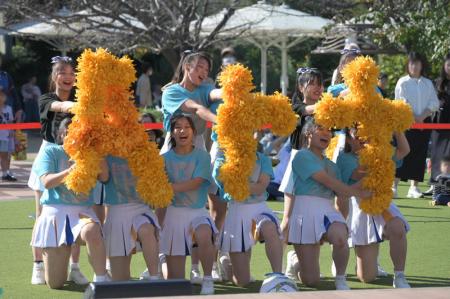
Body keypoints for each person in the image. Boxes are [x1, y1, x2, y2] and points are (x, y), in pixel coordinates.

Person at [280, 119, 371, 290]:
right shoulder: (301, 156)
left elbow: (341, 192)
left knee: (340, 236)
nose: (327, 133)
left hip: (326, 210)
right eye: (320, 129)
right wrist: (358, 192)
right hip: (304, 212)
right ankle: (296, 262)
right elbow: (328, 182)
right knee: (311, 280)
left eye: (329, 131)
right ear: (308, 134)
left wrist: (370, 178)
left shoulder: (332, 165)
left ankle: (340, 279)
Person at [160, 50, 222, 283]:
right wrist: (220, 120)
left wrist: (234, 90)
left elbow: (217, 93)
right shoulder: (172, 91)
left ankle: (200, 266)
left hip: (198, 150)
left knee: (200, 204)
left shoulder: (205, 88)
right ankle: (161, 255)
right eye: (199, 68)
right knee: (164, 202)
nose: (203, 74)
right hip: (171, 147)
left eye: (207, 71)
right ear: (187, 66)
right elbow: (195, 109)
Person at [28, 56, 88, 286]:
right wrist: (82, 106)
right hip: (49, 155)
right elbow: (61, 106)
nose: (68, 77)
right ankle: (38, 265)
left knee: (75, 212)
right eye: (62, 72)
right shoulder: (46, 99)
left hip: (74, 157)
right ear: (54, 77)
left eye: (72, 73)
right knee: (42, 214)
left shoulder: (79, 97)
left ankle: (74, 267)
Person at [31, 118, 109, 288]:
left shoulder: (90, 154)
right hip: (55, 215)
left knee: (92, 230)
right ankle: (46, 263)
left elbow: (104, 177)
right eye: (69, 131)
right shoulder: (51, 152)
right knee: (55, 283)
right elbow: (46, 182)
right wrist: (70, 170)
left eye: (79, 131)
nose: (74, 135)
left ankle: (102, 280)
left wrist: (96, 151)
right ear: (62, 134)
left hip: (83, 213)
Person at [336, 128, 411, 288]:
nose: (362, 137)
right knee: (367, 277)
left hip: (383, 204)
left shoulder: (380, 151)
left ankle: (399, 276)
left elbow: (404, 150)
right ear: (348, 139)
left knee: (397, 227)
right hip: (360, 208)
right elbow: (352, 184)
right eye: (356, 134)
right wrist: (373, 169)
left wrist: (396, 128)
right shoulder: (344, 158)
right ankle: (368, 259)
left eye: (365, 131)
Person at [213, 136, 285, 287]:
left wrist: (238, 183)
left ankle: (278, 275)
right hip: (236, 212)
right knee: (242, 282)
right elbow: (226, 185)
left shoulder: (262, 159)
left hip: (259, 208)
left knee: (269, 228)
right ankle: (226, 263)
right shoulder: (222, 160)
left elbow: (260, 188)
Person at [159, 115, 217, 295]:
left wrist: (167, 188)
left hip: (197, 213)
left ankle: (208, 279)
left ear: (194, 132)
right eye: (178, 127)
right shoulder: (163, 158)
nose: (182, 131)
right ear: (172, 132)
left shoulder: (203, 156)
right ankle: (162, 261)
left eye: (187, 127)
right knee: (175, 283)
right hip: (173, 216)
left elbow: (197, 182)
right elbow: (159, 195)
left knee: (204, 233)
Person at [102, 154, 161, 281]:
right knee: (120, 281)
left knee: (146, 229)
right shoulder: (105, 153)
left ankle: (155, 277)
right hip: (117, 212)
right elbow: (104, 178)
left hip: (141, 208)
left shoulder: (145, 150)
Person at [394, 52, 440, 198]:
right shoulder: (403, 82)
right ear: (408, 65)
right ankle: (393, 186)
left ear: (422, 65)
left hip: (424, 123)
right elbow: (401, 102)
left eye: (417, 63)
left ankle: (414, 188)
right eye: (412, 63)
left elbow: (434, 103)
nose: (414, 66)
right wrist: (414, 117)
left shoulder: (427, 83)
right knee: (402, 153)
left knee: (420, 154)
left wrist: (422, 117)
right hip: (406, 122)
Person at [427, 53, 450, 195]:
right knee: (438, 155)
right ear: (444, 66)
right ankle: (437, 188)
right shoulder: (437, 82)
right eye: (448, 65)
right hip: (438, 125)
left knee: (448, 156)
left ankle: (445, 189)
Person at [0, 88, 16, 181]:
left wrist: (12, 131)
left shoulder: (8, 108)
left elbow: (10, 121)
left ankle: (5, 173)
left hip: (5, 136)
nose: (1, 97)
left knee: (5, 155)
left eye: (2, 95)